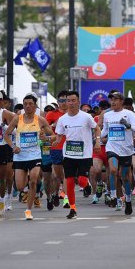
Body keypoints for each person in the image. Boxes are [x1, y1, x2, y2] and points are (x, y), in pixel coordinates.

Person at [5, 94, 54, 220]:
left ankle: (28, 210)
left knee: (33, 180)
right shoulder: (17, 119)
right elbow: (6, 135)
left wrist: (46, 138)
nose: (28, 106)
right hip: (20, 156)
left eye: (30, 103)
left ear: (35, 105)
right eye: (25, 103)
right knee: (20, 186)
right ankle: (27, 187)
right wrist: (13, 146)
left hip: (35, 155)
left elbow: (53, 136)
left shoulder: (40, 120)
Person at [53, 90, 97, 219]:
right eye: (68, 101)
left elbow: (96, 128)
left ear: (78, 102)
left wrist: (98, 141)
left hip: (84, 154)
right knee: (70, 181)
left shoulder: (86, 117)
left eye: (73, 101)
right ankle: (72, 208)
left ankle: (87, 184)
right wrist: (54, 141)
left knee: (82, 181)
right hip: (69, 154)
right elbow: (59, 136)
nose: (70, 103)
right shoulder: (62, 119)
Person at [101, 91, 135, 215]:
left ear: (121, 101)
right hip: (112, 147)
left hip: (126, 149)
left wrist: (127, 125)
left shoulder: (129, 114)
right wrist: (99, 138)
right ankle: (113, 195)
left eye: (115, 99)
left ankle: (128, 200)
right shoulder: (107, 115)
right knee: (113, 170)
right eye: (111, 100)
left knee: (125, 177)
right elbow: (105, 131)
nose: (112, 102)